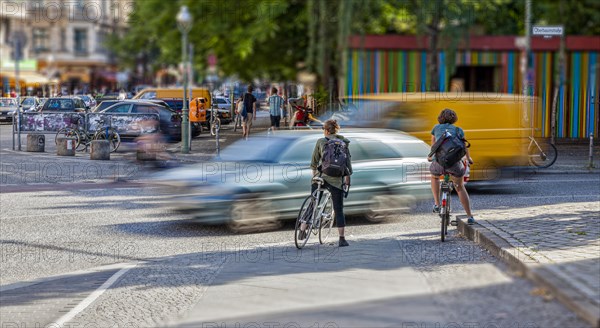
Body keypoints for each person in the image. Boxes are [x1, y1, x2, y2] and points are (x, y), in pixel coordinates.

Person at [300, 119, 352, 247]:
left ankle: (302, 230)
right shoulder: (344, 142)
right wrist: (347, 181)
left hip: (321, 178)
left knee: (313, 202)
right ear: (336, 130)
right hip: (336, 181)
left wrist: (315, 177)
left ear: (326, 130)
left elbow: (314, 162)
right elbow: (347, 164)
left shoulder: (321, 141)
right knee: (338, 209)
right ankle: (342, 239)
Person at [428, 108, 476, 225]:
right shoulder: (458, 130)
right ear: (454, 119)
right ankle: (469, 216)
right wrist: (469, 159)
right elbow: (464, 147)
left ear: (440, 117)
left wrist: (430, 157)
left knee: (434, 177)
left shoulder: (435, 128)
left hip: (439, 164)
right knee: (459, 187)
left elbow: (433, 146)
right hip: (454, 165)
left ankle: (437, 204)